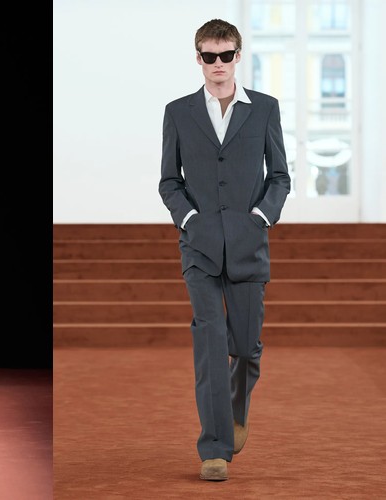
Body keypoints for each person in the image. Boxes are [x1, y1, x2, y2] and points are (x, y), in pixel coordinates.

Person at [158, 19, 289, 482]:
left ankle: (235, 412)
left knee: (246, 348)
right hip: (200, 249)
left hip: (249, 245)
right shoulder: (178, 112)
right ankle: (214, 448)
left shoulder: (265, 109)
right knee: (210, 344)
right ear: (199, 58)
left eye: (226, 55)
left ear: (238, 56)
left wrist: (260, 218)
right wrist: (190, 220)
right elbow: (169, 180)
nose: (218, 63)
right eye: (210, 56)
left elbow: (280, 176)